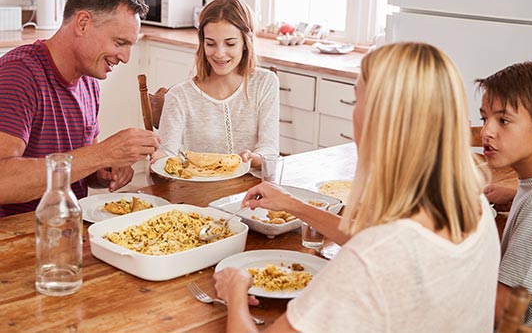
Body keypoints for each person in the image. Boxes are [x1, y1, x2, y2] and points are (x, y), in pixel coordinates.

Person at [213, 42, 500, 332]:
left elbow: (375, 251)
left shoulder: (373, 259)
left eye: (356, 100)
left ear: (380, 120)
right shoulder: (474, 206)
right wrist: (293, 204)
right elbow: (374, 240)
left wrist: (235, 292)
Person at [0, 0, 160, 218]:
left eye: (130, 47)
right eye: (119, 43)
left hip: (68, 227)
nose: (125, 58)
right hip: (17, 238)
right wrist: (102, 153)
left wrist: (104, 169)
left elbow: (78, 165)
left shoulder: (89, 80)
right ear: (83, 23)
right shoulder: (18, 74)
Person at [476, 59, 532, 326]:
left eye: (503, 120)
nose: (486, 131)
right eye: (484, 118)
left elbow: (501, 315)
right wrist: (515, 195)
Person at [156, 0, 279, 169]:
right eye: (211, 44)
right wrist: (158, 158)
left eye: (230, 44)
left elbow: (270, 149)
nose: (220, 53)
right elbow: (166, 156)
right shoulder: (179, 96)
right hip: (202, 193)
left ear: (246, 43)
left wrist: (255, 158)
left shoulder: (265, 83)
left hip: (253, 191)